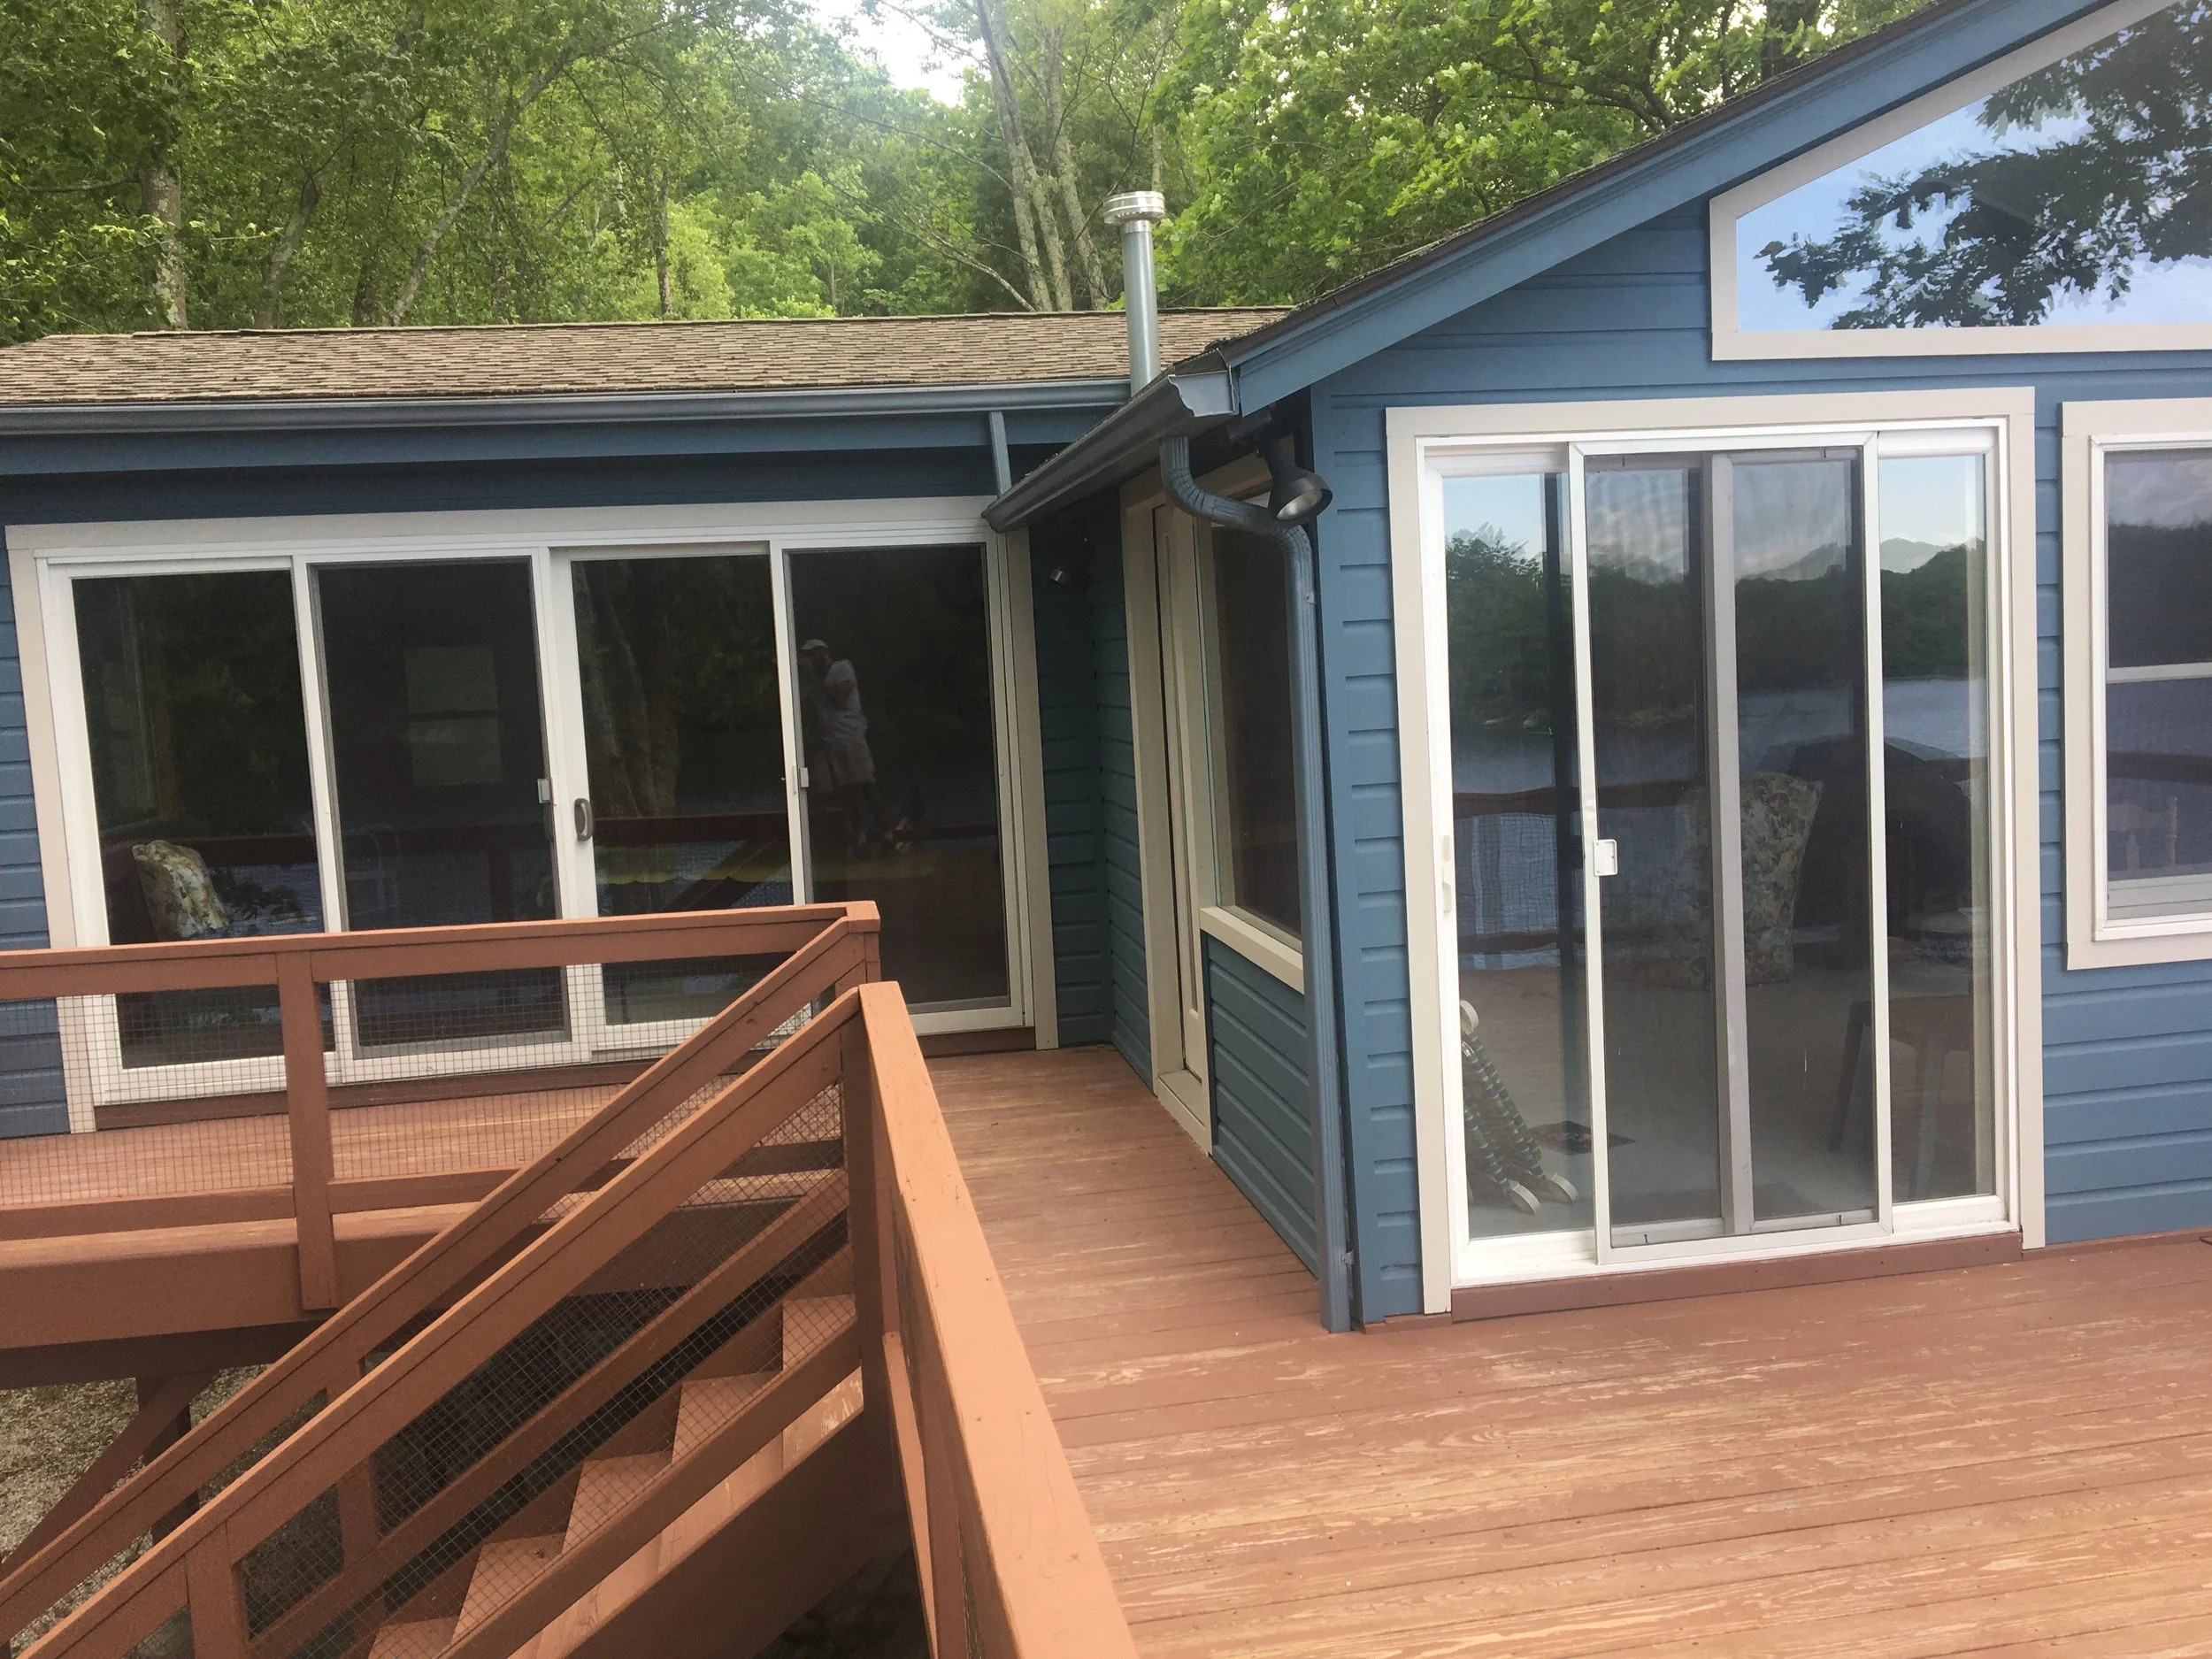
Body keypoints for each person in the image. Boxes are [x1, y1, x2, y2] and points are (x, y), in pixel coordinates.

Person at [798, 638, 890, 856]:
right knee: (846, 793)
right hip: (832, 741)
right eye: (807, 656)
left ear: (824, 652)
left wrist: (814, 679)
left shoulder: (841, 668)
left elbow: (840, 698)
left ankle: (887, 833)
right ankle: (860, 835)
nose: (810, 660)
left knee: (867, 786)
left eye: (813, 654)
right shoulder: (812, 683)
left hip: (852, 737)